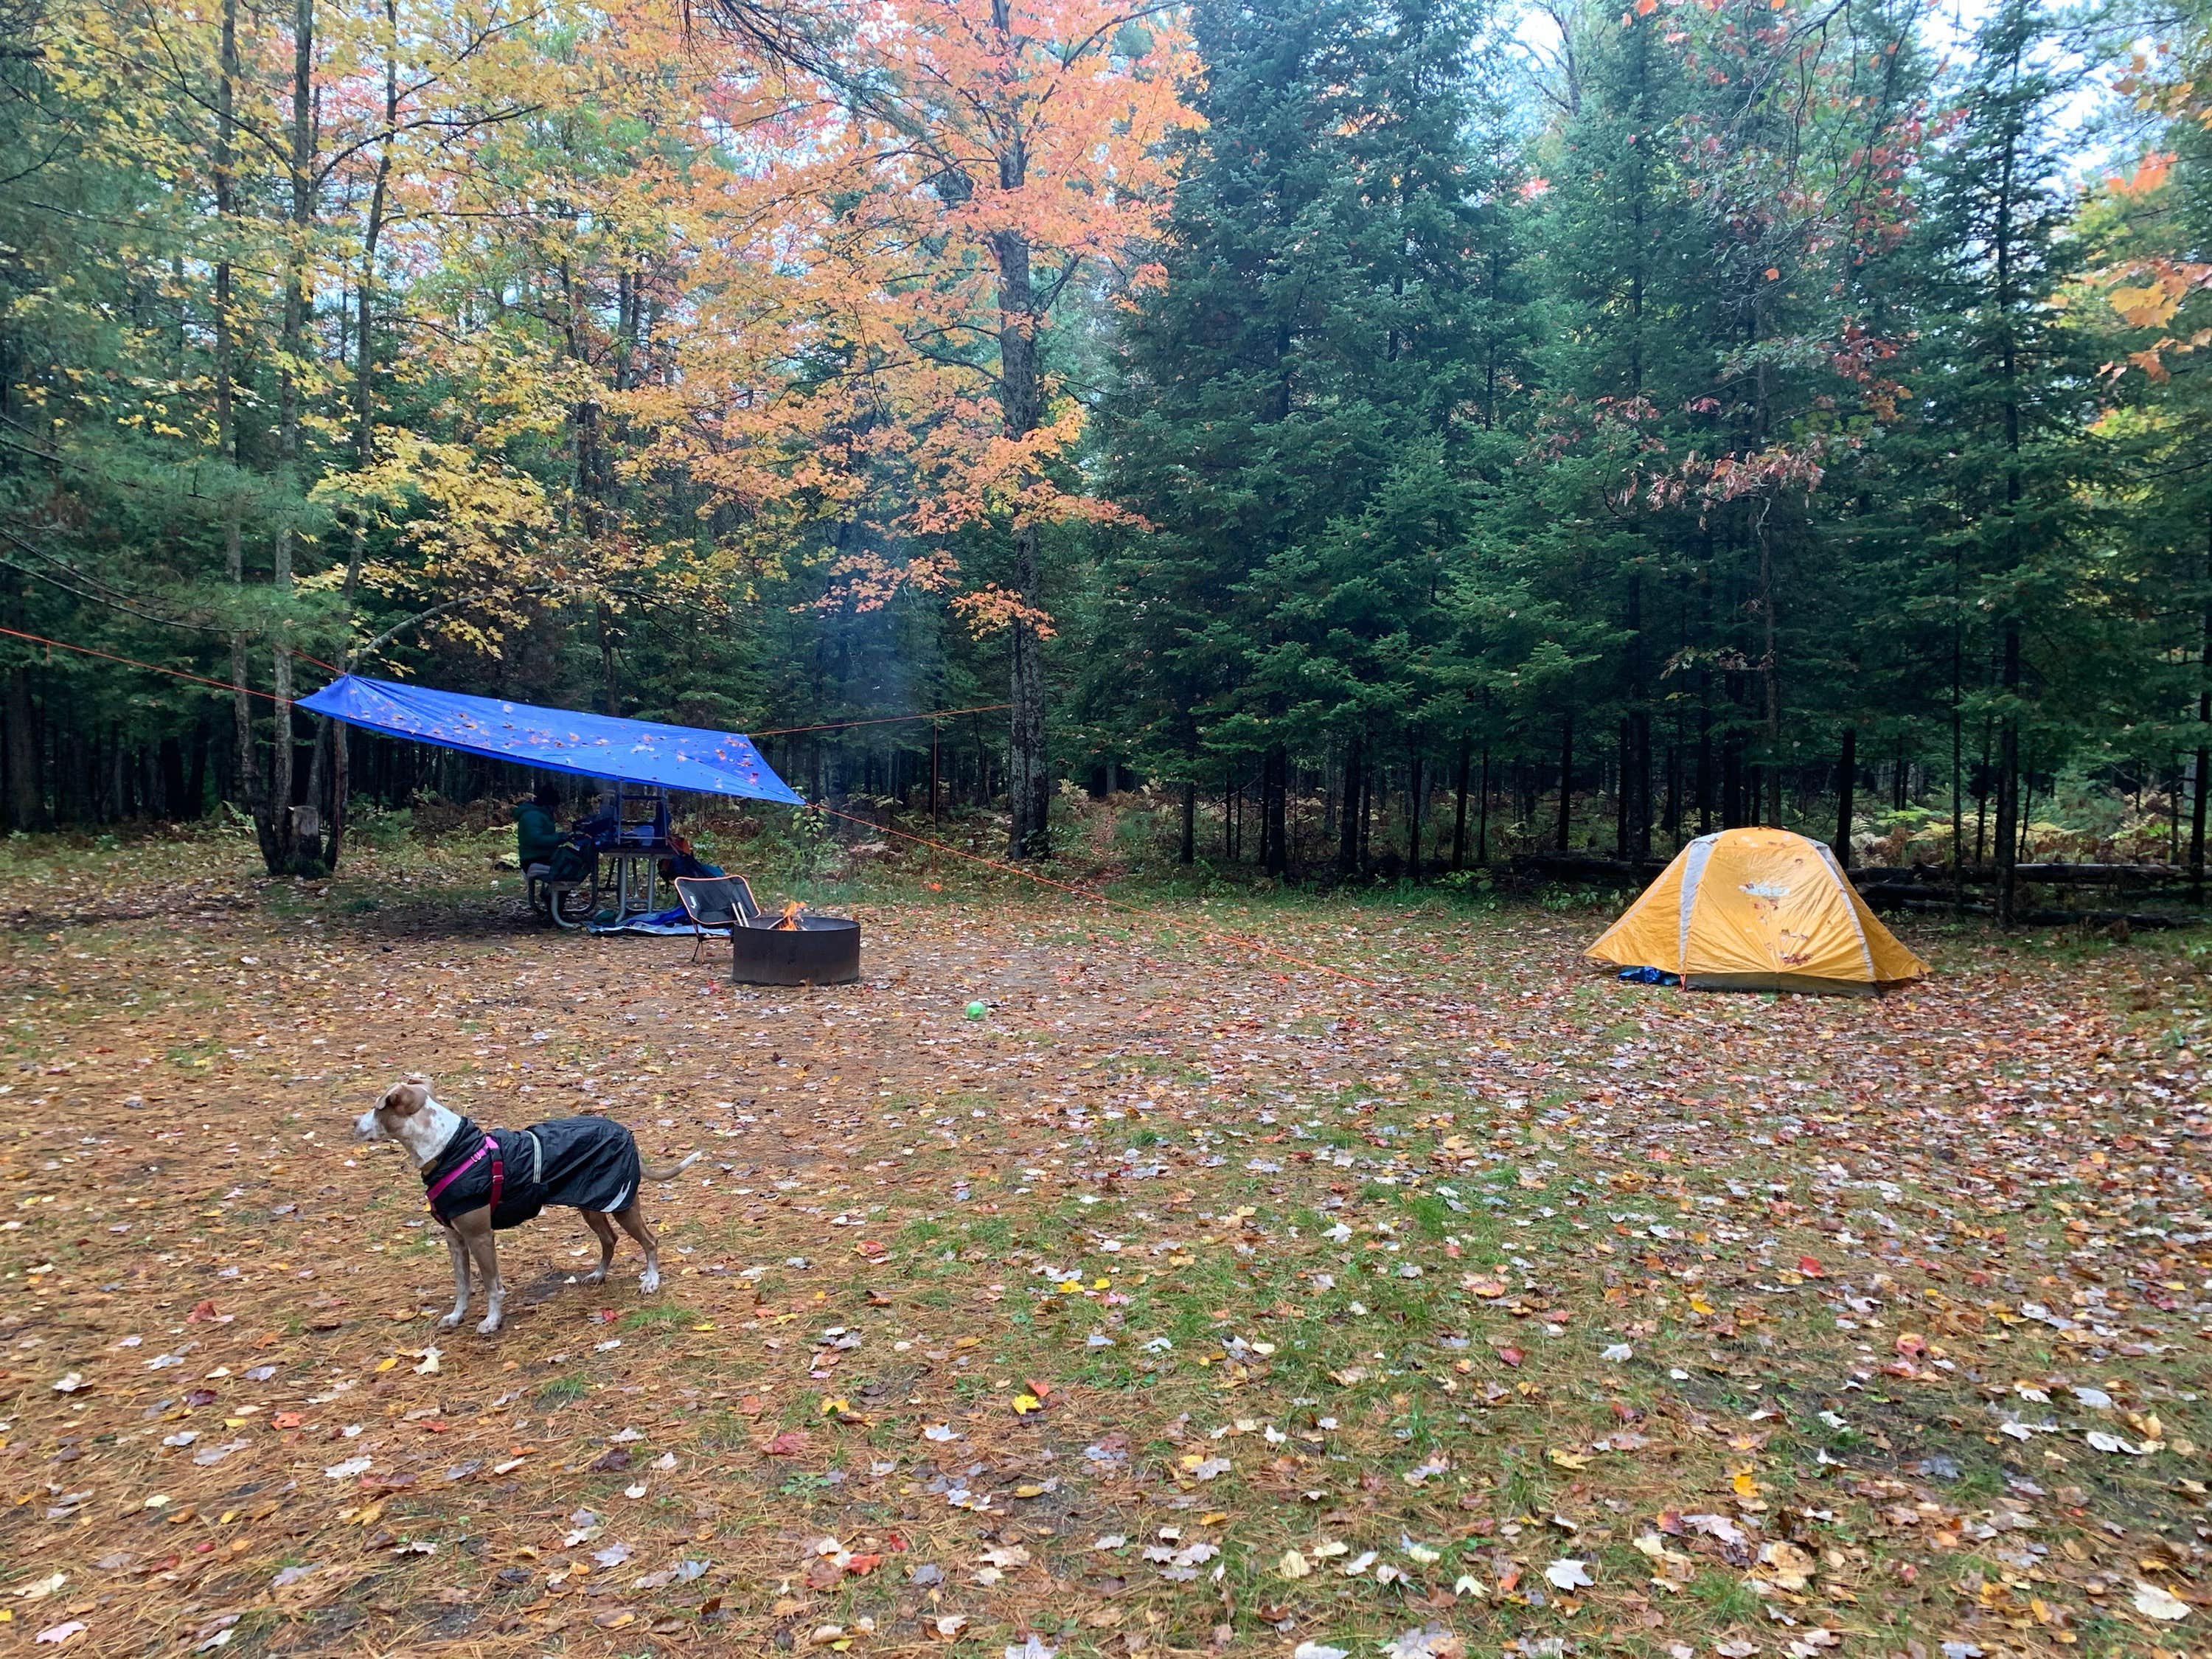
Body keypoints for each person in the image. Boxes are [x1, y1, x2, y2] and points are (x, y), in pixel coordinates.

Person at [513, 783, 564, 870]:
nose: (555, 810)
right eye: (554, 806)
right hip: (534, 859)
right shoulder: (532, 816)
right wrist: (559, 838)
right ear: (549, 805)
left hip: (540, 856)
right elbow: (536, 839)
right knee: (571, 863)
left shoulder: (539, 815)